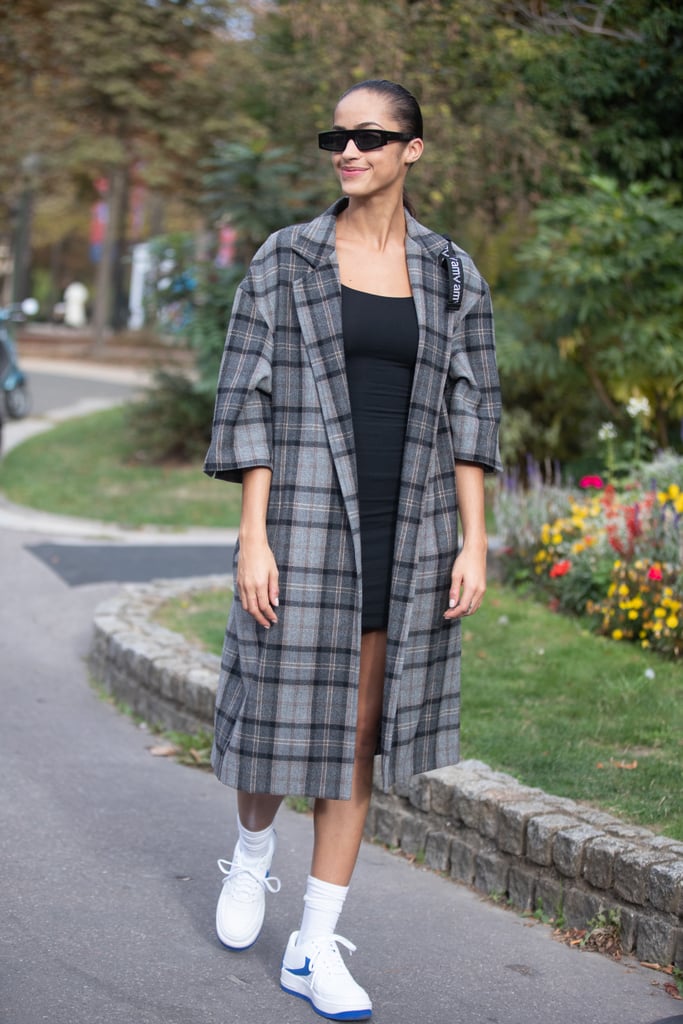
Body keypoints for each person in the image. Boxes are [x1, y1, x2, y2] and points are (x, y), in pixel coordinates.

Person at [203, 79, 502, 1021]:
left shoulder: (452, 276)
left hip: (404, 527)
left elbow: (471, 411)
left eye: (370, 136)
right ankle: (252, 852)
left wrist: (474, 541)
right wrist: (252, 536)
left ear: (413, 149)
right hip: (298, 519)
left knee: (363, 737)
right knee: (274, 726)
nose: (349, 149)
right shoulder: (286, 259)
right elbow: (246, 394)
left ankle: (313, 943)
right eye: (338, 134)